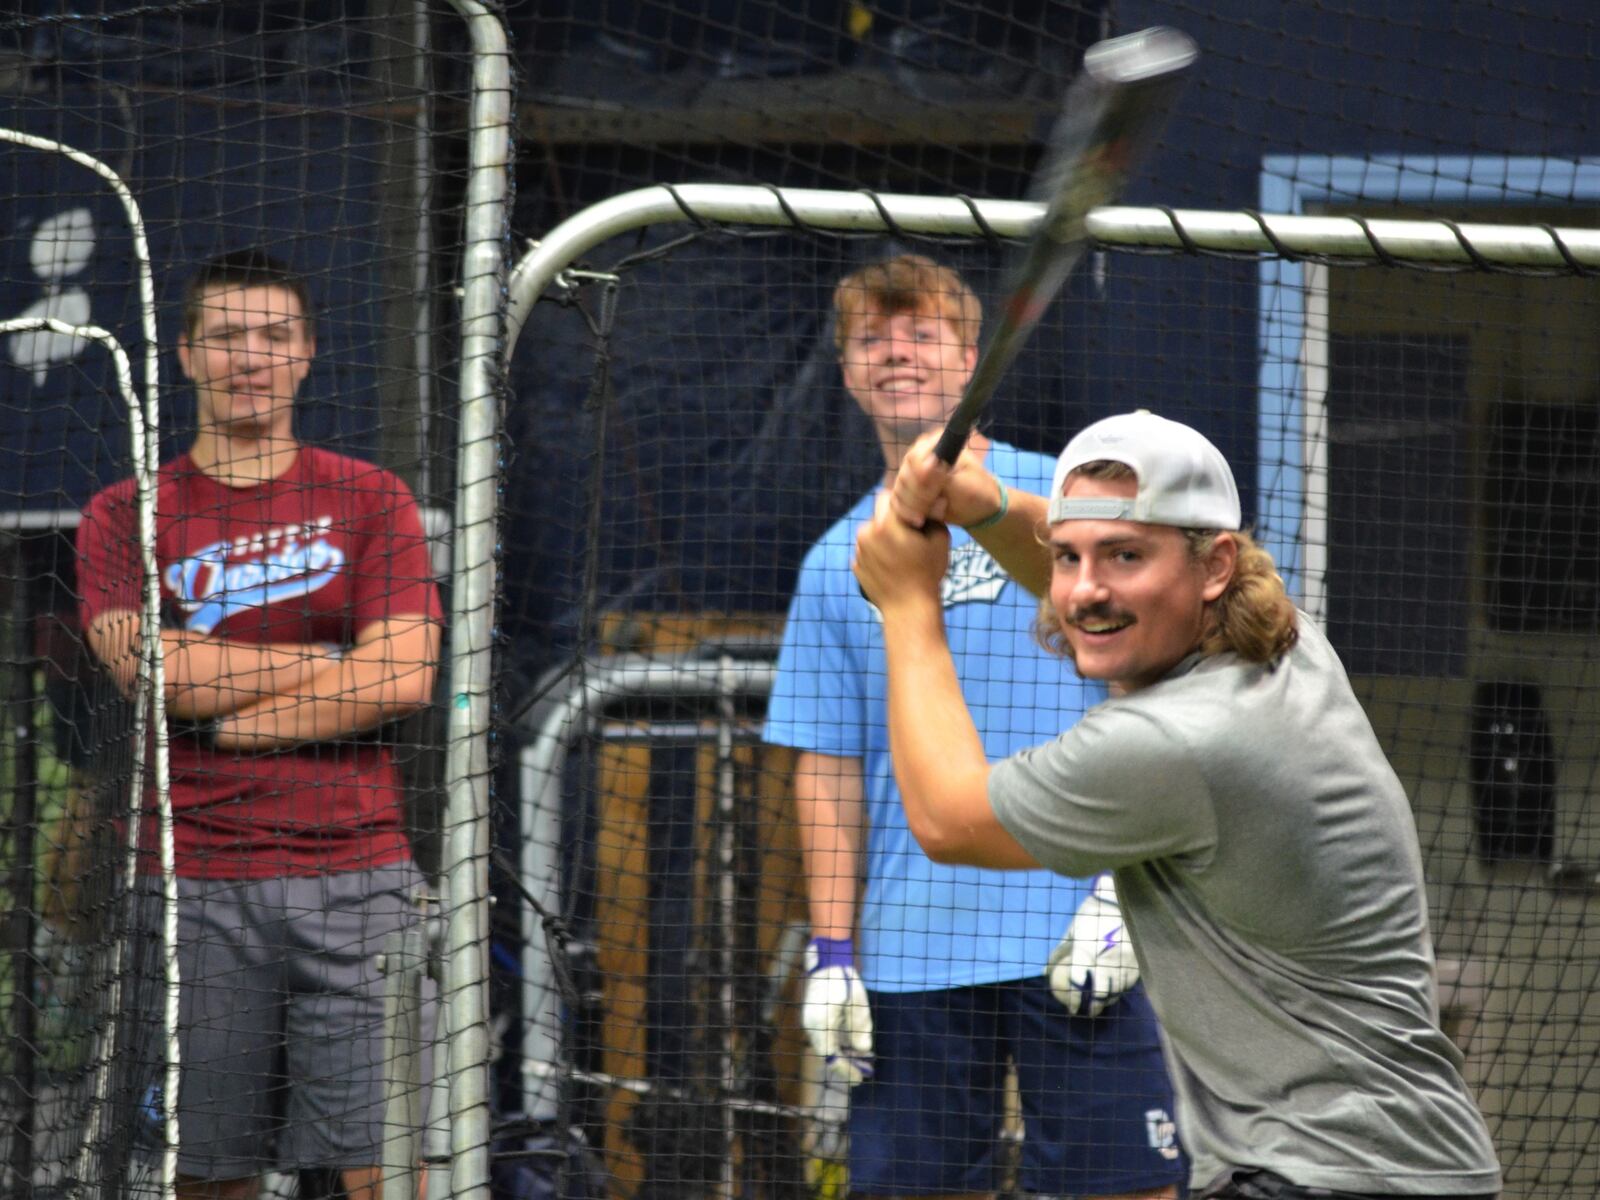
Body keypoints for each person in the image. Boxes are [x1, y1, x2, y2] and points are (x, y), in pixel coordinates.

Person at [853, 408, 1504, 1200]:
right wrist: (985, 506)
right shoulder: (1289, 644)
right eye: (1067, 556)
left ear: (1216, 564)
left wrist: (908, 602)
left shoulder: (1176, 740)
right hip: (1393, 1166)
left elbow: (950, 820)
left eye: (1125, 554)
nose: (1086, 590)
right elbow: (1111, 599)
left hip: (1327, 1173)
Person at [764, 255, 1186, 1200]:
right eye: (873, 338)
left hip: (1080, 935)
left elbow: (1171, 690)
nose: (896, 354)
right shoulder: (841, 561)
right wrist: (834, 957)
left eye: (923, 334)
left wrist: (1127, 892)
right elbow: (826, 769)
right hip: (911, 953)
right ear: (845, 372)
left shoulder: (1070, 513)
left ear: (973, 362)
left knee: (1129, 1191)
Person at [76, 249, 443, 1200]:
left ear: (309, 354)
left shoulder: (372, 497)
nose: (252, 357)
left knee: (394, 1171)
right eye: (228, 336)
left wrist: (242, 722)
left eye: (274, 336)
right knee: (204, 1177)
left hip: (358, 881)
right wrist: (323, 668)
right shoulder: (127, 515)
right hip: (192, 887)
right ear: (190, 355)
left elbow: (403, 674)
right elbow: (148, 669)